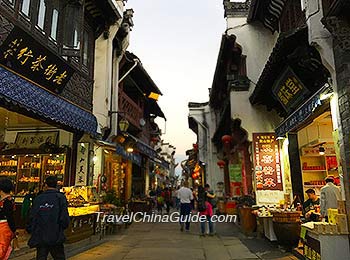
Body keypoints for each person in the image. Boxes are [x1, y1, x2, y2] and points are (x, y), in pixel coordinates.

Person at [27, 176, 70, 260]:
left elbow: (32, 215)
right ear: (56, 185)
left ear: (45, 185)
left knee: (41, 256)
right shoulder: (60, 198)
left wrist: (31, 229)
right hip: (56, 234)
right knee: (59, 257)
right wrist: (63, 228)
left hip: (41, 234)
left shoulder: (38, 198)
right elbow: (64, 217)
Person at [0, 178, 16, 260]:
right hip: (5, 228)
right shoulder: (9, 201)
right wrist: (13, 230)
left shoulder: (3, 201)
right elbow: (10, 217)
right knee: (2, 249)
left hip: (3, 226)